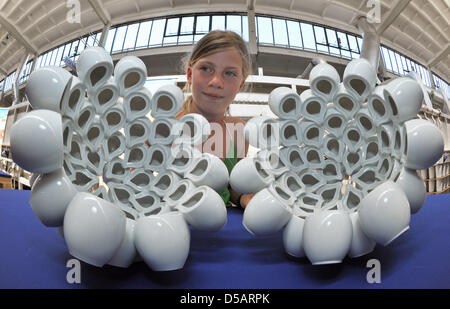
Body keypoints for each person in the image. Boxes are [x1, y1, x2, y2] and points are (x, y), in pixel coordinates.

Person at [176, 30, 255, 209]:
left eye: (229, 73)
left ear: (240, 84)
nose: (216, 81)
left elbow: (232, 186)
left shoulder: (240, 131)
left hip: (222, 228)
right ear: (189, 74)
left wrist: (245, 197)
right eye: (206, 69)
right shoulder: (165, 128)